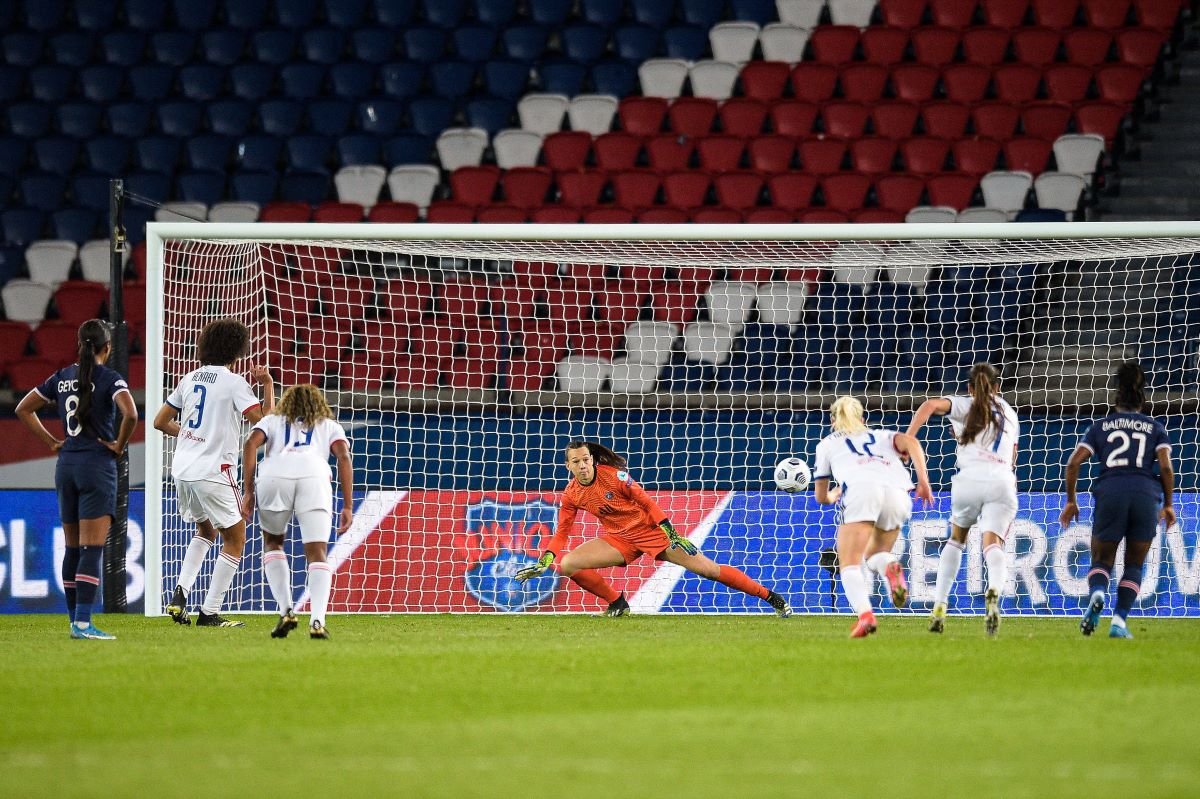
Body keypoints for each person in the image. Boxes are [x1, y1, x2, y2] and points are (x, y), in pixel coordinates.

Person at [514, 441, 792, 617]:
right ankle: (617, 602)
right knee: (568, 564)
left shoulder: (615, 477)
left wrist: (670, 532)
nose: (583, 465)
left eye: (586, 459)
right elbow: (562, 531)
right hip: (618, 539)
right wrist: (545, 559)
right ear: (568, 466)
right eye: (576, 462)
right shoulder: (571, 494)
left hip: (652, 533)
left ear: (593, 460)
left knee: (709, 570)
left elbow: (646, 501)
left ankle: (770, 597)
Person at [16, 319, 138, 640]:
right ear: (107, 348)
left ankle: (74, 621)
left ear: (79, 344)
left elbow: (23, 408)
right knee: (92, 549)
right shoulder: (110, 378)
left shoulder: (63, 376)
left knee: (73, 548)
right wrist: (119, 445)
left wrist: (52, 442)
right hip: (96, 466)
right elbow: (131, 414)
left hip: (66, 464)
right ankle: (83, 624)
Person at [152, 318, 274, 628]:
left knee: (205, 532)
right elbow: (265, 424)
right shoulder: (234, 383)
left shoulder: (189, 378)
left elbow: (160, 421)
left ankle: (180, 593)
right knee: (235, 539)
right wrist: (268, 386)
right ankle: (209, 613)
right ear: (236, 351)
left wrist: (192, 436)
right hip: (214, 471)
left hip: (182, 470)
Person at [1061, 361, 1174, 639]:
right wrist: (1168, 504)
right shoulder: (1154, 427)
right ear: (1143, 399)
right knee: (1134, 564)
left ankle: (1098, 592)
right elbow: (1167, 467)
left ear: (1115, 399)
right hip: (1146, 495)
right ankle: (1119, 622)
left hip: (1110, 491)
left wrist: (1071, 500)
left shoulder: (1101, 426)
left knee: (1101, 559)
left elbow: (1073, 464)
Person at [906, 363, 1020, 637]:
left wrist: (908, 439)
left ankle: (940, 606)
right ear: (998, 387)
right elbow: (1012, 457)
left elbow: (929, 405)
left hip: (969, 479)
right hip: (1002, 480)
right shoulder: (1010, 413)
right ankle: (993, 591)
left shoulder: (965, 404)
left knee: (956, 540)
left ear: (970, 388)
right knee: (992, 544)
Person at [813, 396, 933, 638]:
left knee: (849, 564)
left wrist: (832, 496)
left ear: (833, 421)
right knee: (875, 554)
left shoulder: (826, 444)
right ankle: (890, 566)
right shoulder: (881, 436)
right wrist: (923, 481)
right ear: (862, 419)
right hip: (898, 493)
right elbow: (910, 441)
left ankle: (865, 615)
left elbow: (820, 496)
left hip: (861, 491)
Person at [241, 384, 353, 640]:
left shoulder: (272, 420)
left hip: (274, 474)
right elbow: (343, 457)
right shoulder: (328, 425)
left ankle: (286, 610)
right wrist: (347, 505)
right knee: (317, 553)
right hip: (314, 475)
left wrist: (248, 490)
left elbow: (250, 444)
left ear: (287, 403)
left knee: (273, 543)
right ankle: (317, 622)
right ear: (318, 403)